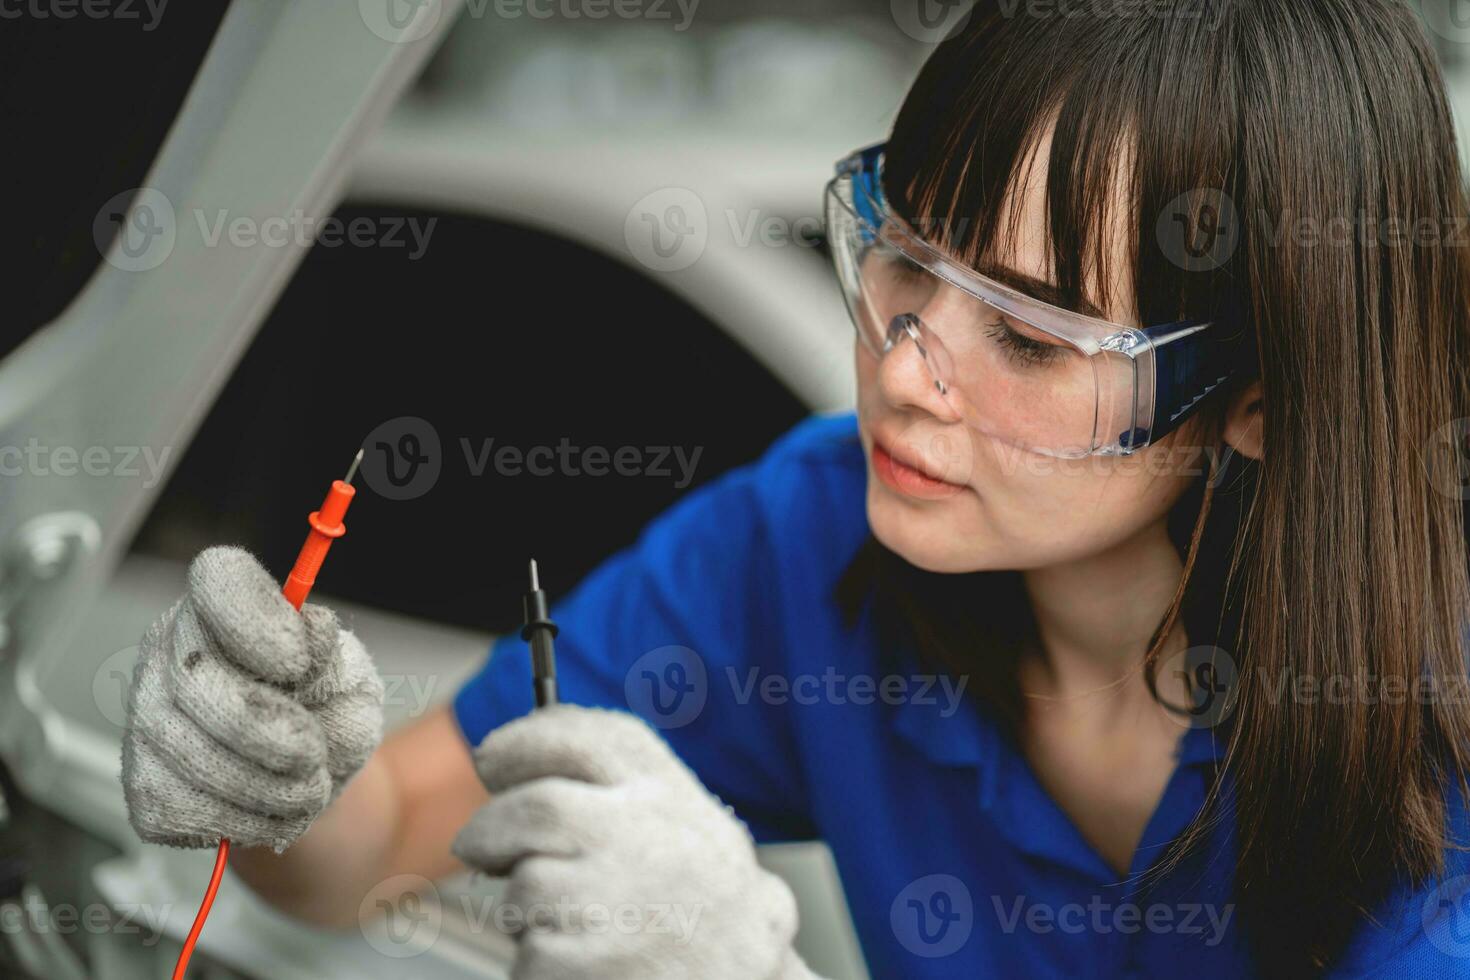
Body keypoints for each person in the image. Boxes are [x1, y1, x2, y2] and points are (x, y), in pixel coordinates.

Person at [118, 2, 1470, 976]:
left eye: (1028, 336)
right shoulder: (812, 535)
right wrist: (295, 786)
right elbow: (400, 842)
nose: (905, 365)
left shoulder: (1429, 731)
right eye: (902, 252)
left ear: (1255, 403)